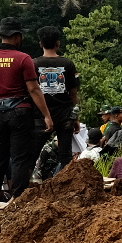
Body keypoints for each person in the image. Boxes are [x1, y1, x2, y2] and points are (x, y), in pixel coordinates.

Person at [0, 17, 56, 206]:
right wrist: (46, 115)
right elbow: (34, 89)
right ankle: (18, 199)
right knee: (20, 159)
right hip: (20, 113)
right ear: (17, 36)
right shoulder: (23, 59)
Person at [34, 26, 81, 177]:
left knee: (32, 153)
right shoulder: (68, 64)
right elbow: (73, 93)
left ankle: (24, 189)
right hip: (65, 114)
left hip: (41, 115)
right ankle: (67, 186)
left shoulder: (33, 64)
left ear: (40, 43)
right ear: (58, 43)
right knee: (65, 155)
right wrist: (76, 117)